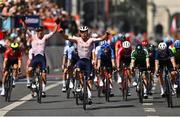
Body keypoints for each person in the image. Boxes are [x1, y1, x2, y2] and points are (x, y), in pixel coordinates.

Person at [62, 26, 110, 104]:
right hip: (80, 60)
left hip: (88, 61)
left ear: (87, 32)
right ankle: (77, 86)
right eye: (82, 32)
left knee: (89, 80)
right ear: (80, 33)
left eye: (85, 32)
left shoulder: (91, 40)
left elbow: (101, 39)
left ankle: (89, 96)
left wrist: (106, 34)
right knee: (77, 70)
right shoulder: (77, 39)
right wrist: (61, 33)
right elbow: (66, 38)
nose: (84, 34)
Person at [21, 20, 58, 97]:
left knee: (44, 74)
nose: (40, 32)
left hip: (42, 58)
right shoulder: (32, 36)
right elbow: (26, 28)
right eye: (38, 31)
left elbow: (54, 32)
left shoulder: (45, 37)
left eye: (41, 31)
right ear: (36, 32)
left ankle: (43, 90)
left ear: (43, 31)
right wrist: (23, 22)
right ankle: (29, 82)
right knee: (29, 70)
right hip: (34, 58)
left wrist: (57, 24)